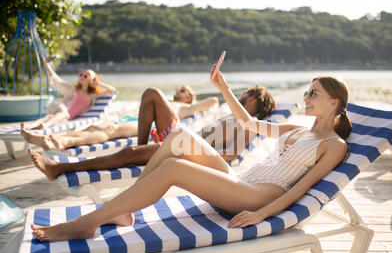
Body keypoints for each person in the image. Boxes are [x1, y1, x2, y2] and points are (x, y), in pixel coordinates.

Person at [31, 66, 351, 242]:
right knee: (180, 139)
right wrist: (223, 86)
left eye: (314, 93)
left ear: (333, 102)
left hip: (258, 197)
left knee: (174, 168)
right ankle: (121, 208)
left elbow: (302, 187)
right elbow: (249, 123)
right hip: (240, 181)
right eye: (307, 91)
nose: (306, 97)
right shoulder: (296, 127)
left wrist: (263, 214)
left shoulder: (334, 146)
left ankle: (90, 222)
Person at [28, 85, 276, 180]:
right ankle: (142, 150)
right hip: (179, 138)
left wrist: (195, 151)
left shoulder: (249, 123)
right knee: (151, 94)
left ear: (258, 102)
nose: (243, 95)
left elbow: (231, 156)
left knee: (127, 154)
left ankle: (60, 168)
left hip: (186, 150)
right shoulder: (235, 116)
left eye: (249, 95)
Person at [21, 85, 219, 150]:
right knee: (95, 128)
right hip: (137, 120)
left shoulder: (187, 107)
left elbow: (212, 100)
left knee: (109, 132)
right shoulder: (166, 101)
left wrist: (195, 103)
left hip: (155, 128)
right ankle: (52, 139)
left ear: (189, 97)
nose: (178, 90)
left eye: (183, 90)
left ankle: (61, 142)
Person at [20, 57, 117, 131]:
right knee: (63, 114)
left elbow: (112, 91)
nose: (82, 76)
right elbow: (56, 78)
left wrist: (99, 83)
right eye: (81, 74)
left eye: (86, 75)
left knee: (50, 117)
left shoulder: (93, 96)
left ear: (92, 79)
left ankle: (30, 125)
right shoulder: (72, 88)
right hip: (61, 107)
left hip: (66, 116)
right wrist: (47, 65)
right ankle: (45, 126)